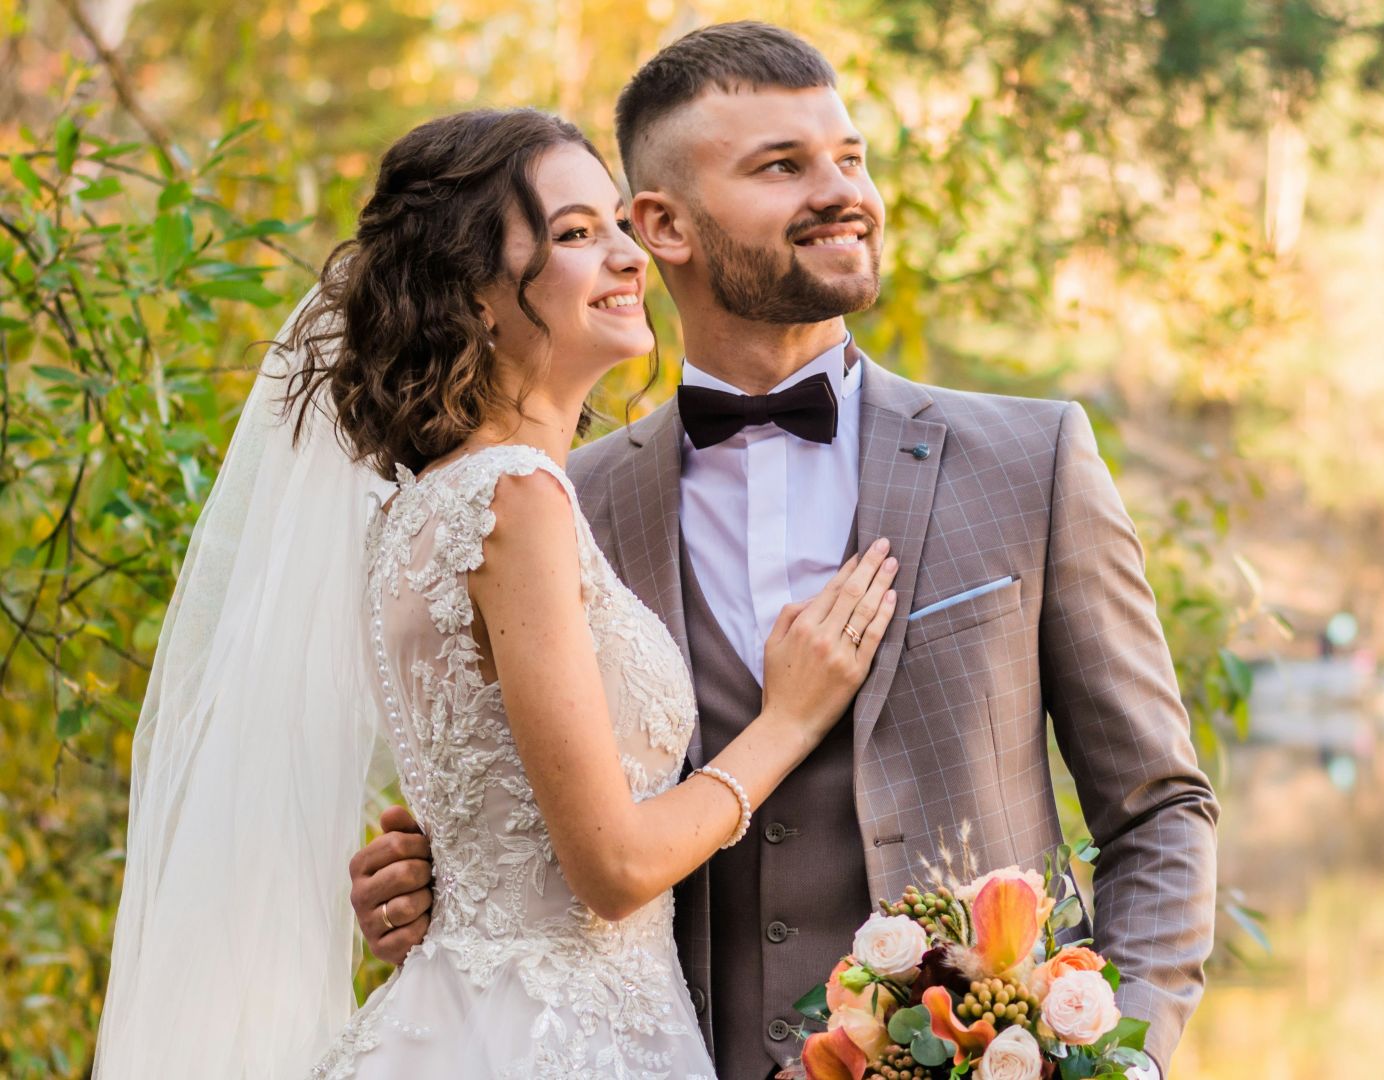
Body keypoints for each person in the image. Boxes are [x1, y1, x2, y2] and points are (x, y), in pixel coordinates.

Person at [348, 22, 1219, 1079]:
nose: (842, 190)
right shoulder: (553, 502)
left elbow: (1160, 809)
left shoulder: (1028, 462)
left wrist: (1123, 1057)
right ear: (662, 224)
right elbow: (552, 828)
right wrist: (433, 879)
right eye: (782, 167)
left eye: (849, 158)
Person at [94, 107, 897, 1078]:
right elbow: (613, 870)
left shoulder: (418, 509)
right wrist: (790, 718)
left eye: (616, 224)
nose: (627, 254)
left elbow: (492, 811)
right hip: (558, 1041)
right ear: (475, 297)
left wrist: (433, 869)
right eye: (573, 234)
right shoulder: (514, 499)